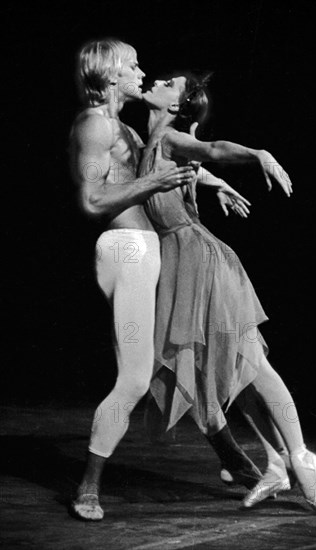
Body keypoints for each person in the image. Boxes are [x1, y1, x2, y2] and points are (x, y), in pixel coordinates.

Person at [69, 38, 263, 521]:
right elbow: (93, 200)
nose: (141, 72)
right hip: (128, 252)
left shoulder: (127, 132)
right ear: (110, 75)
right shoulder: (95, 124)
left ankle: (231, 457)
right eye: (132, 66)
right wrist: (153, 183)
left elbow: (175, 162)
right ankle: (86, 489)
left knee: (175, 361)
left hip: (150, 253)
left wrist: (212, 181)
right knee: (135, 377)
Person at [139, 74, 316, 514]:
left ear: (177, 105)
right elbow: (197, 165)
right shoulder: (152, 142)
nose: (158, 79)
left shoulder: (169, 137)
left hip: (202, 262)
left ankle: (303, 455)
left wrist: (256, 155)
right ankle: (277, 464)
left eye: (170, 82)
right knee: (229, 376)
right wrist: (214, 184)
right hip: (180, 263)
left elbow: (211, 150)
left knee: (253, 365)